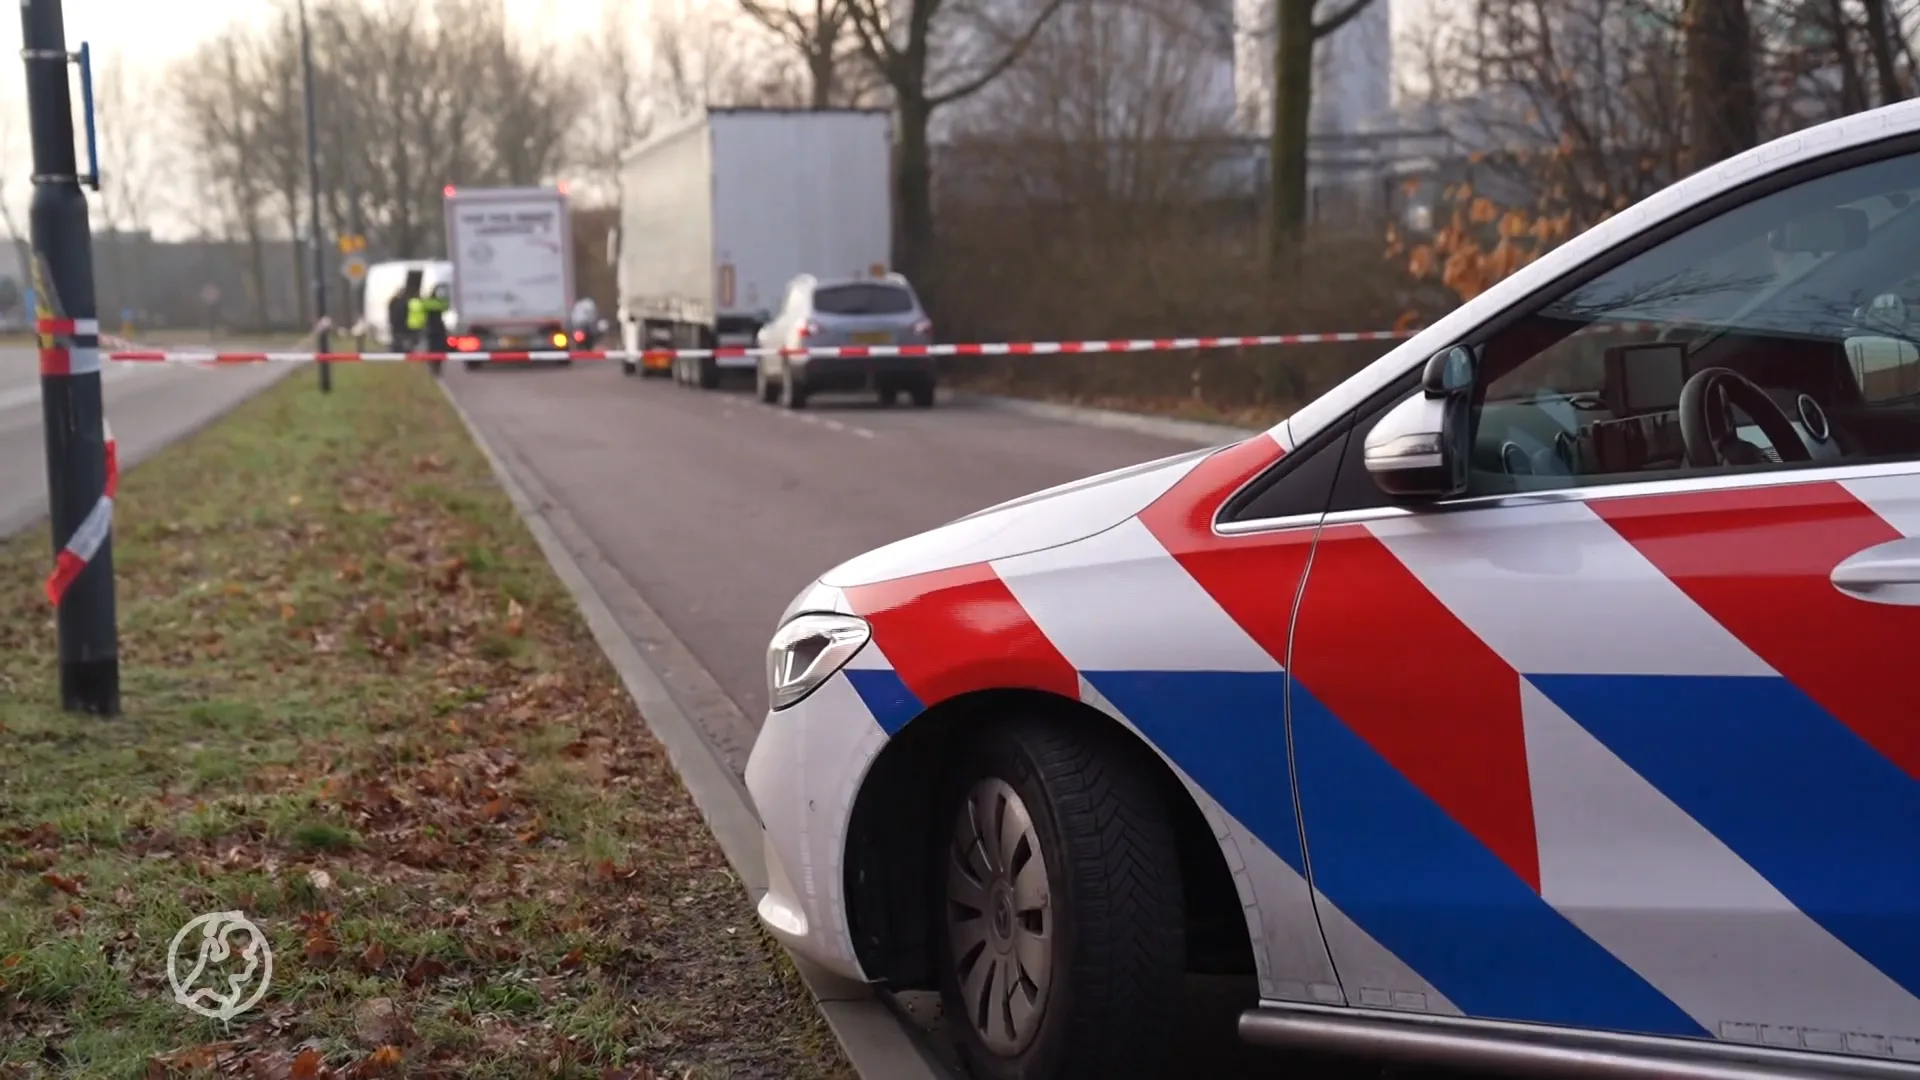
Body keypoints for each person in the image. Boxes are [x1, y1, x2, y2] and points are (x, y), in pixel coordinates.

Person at [422, 284, 451, 377]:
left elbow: (445, 307)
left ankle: (435, 368)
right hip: (434, 328)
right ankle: (435, 368)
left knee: (435, 350)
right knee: (436, 350)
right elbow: (444, 306)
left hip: (434, 328)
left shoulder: (429, 302)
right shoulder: (432, 303)